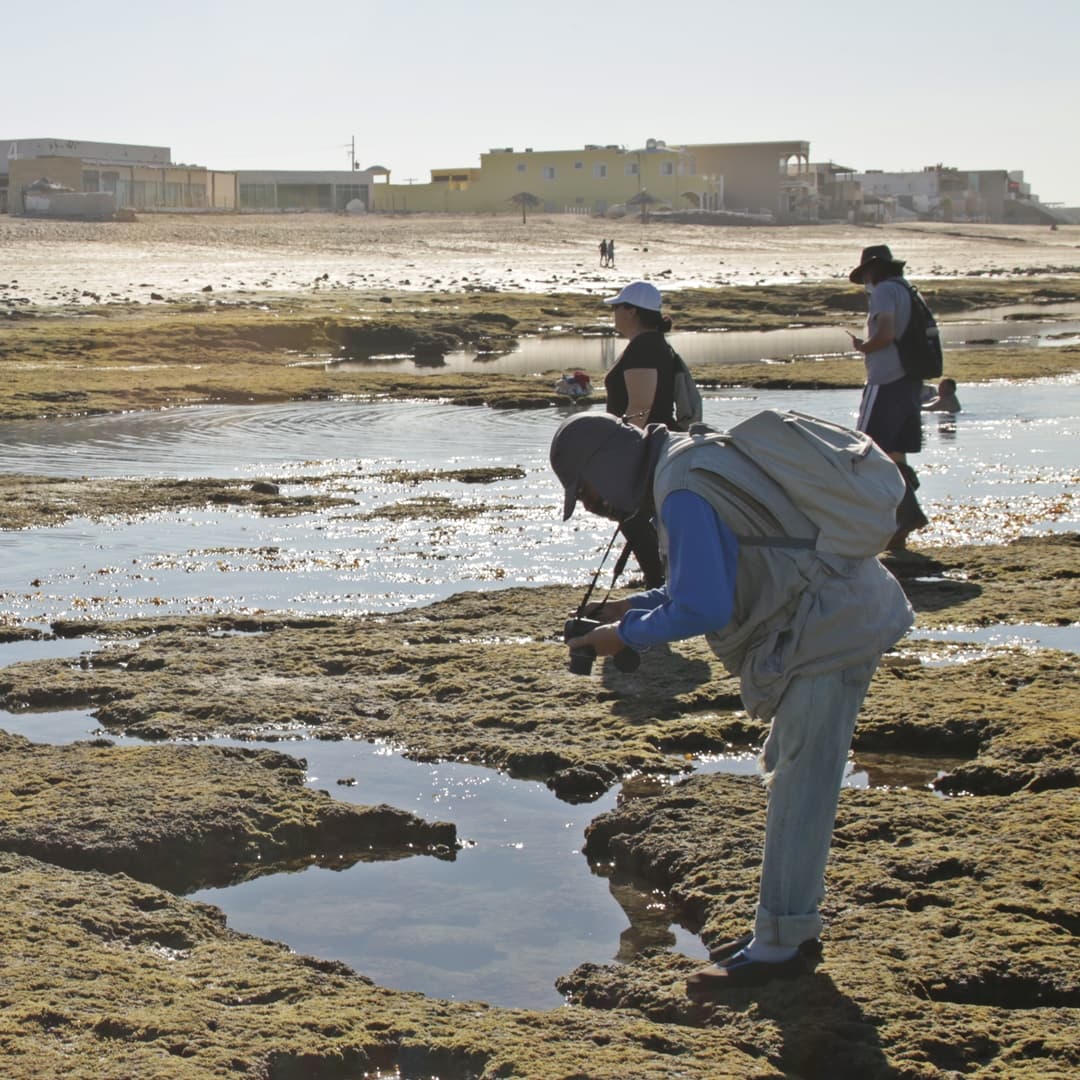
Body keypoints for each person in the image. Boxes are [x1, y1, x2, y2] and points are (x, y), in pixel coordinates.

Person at [549, 413, 913, 992]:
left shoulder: (682, 488)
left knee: (801, 788)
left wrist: (626, 636)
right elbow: (707, 577)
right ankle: (786, 932)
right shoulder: (689, 461)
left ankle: (781, 947)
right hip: (834, 617)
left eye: (587, 493)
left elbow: (704, 609)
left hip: (829, 630)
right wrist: (631, 608)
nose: (595, 507)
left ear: (603, 467)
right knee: (797, 777)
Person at [848, 244, 929, 550]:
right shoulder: (907, 289)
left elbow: (886, 334)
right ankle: (905, 517)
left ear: (872, 271)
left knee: (870, 448)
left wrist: (864, 347)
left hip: (886, 379)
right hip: (909, 380)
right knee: (895, 451)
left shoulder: (883, 292)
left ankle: (905, 514)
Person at [602, 281, 680, 587]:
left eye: (617, 308)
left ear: (632, 311)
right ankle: (658, 579)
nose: (614, 314)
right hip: (657, 442)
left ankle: (657, 581)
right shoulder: (652, 344)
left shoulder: (645, 347)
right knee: (639, 516)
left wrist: (626, 452)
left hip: (648, 444)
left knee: (630, 513)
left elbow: (641, 406)